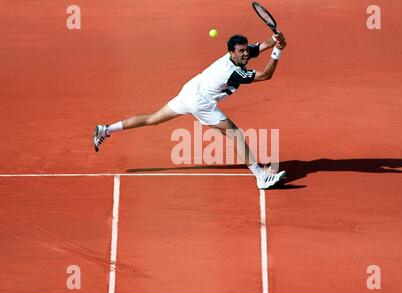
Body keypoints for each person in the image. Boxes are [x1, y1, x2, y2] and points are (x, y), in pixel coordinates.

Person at [93, 32, 287, 189]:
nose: (246, 54)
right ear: (231, 53)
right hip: (200, 101)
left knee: (153, 119)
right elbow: (265, 75)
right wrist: (277, 52)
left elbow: (261, 45)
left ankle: (106, 129)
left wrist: (275, 38)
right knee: (235, 135)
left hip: (190, 89)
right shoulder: (232, 72)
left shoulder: (238, 55)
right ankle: (261, 177)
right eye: (241, 51)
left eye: (246, 50)